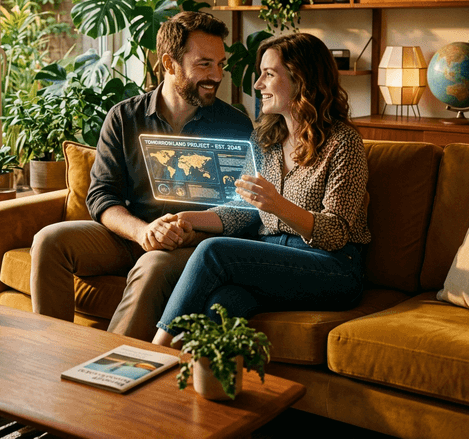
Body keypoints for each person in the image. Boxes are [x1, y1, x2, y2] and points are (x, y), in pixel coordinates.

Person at [30, 10, 254, 341]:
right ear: (169, 63)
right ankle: (50, 353)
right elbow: (101, 194)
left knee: (153, 267)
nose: (217, 75)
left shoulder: (235, 125)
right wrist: (142, 231)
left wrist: (184, 230)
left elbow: (244, 209)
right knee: (48, 241)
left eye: (221, 64)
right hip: (133, 233)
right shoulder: (124, 117)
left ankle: (110, 376)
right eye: (204, 64)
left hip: (191, 243)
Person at [152, 32, 371, 347]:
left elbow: (336, 233)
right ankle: (199, 384)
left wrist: (277, 205)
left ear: (301, 79)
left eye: (269, 74)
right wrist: (182, 217)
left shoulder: (343, 143)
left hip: (333, 267)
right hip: (274, 258)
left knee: (214, 250)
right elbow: (240, 213)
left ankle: (151, 351)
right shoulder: (263, 141)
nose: (258, 84)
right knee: (223, 303)